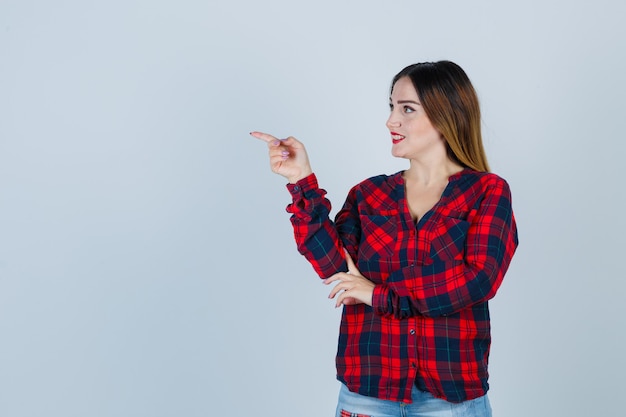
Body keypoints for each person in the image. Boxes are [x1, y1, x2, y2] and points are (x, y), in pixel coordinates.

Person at [251, 60, 518, 417]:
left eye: (407, 109)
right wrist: (301, 178)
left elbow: (478, 279)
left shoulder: (487, 191)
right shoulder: (369, 194)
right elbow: (334, 267)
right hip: (367, 396)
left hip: (450, 400)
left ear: (446, 114)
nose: (391, 121)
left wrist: (378, 294)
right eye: (392, 107)